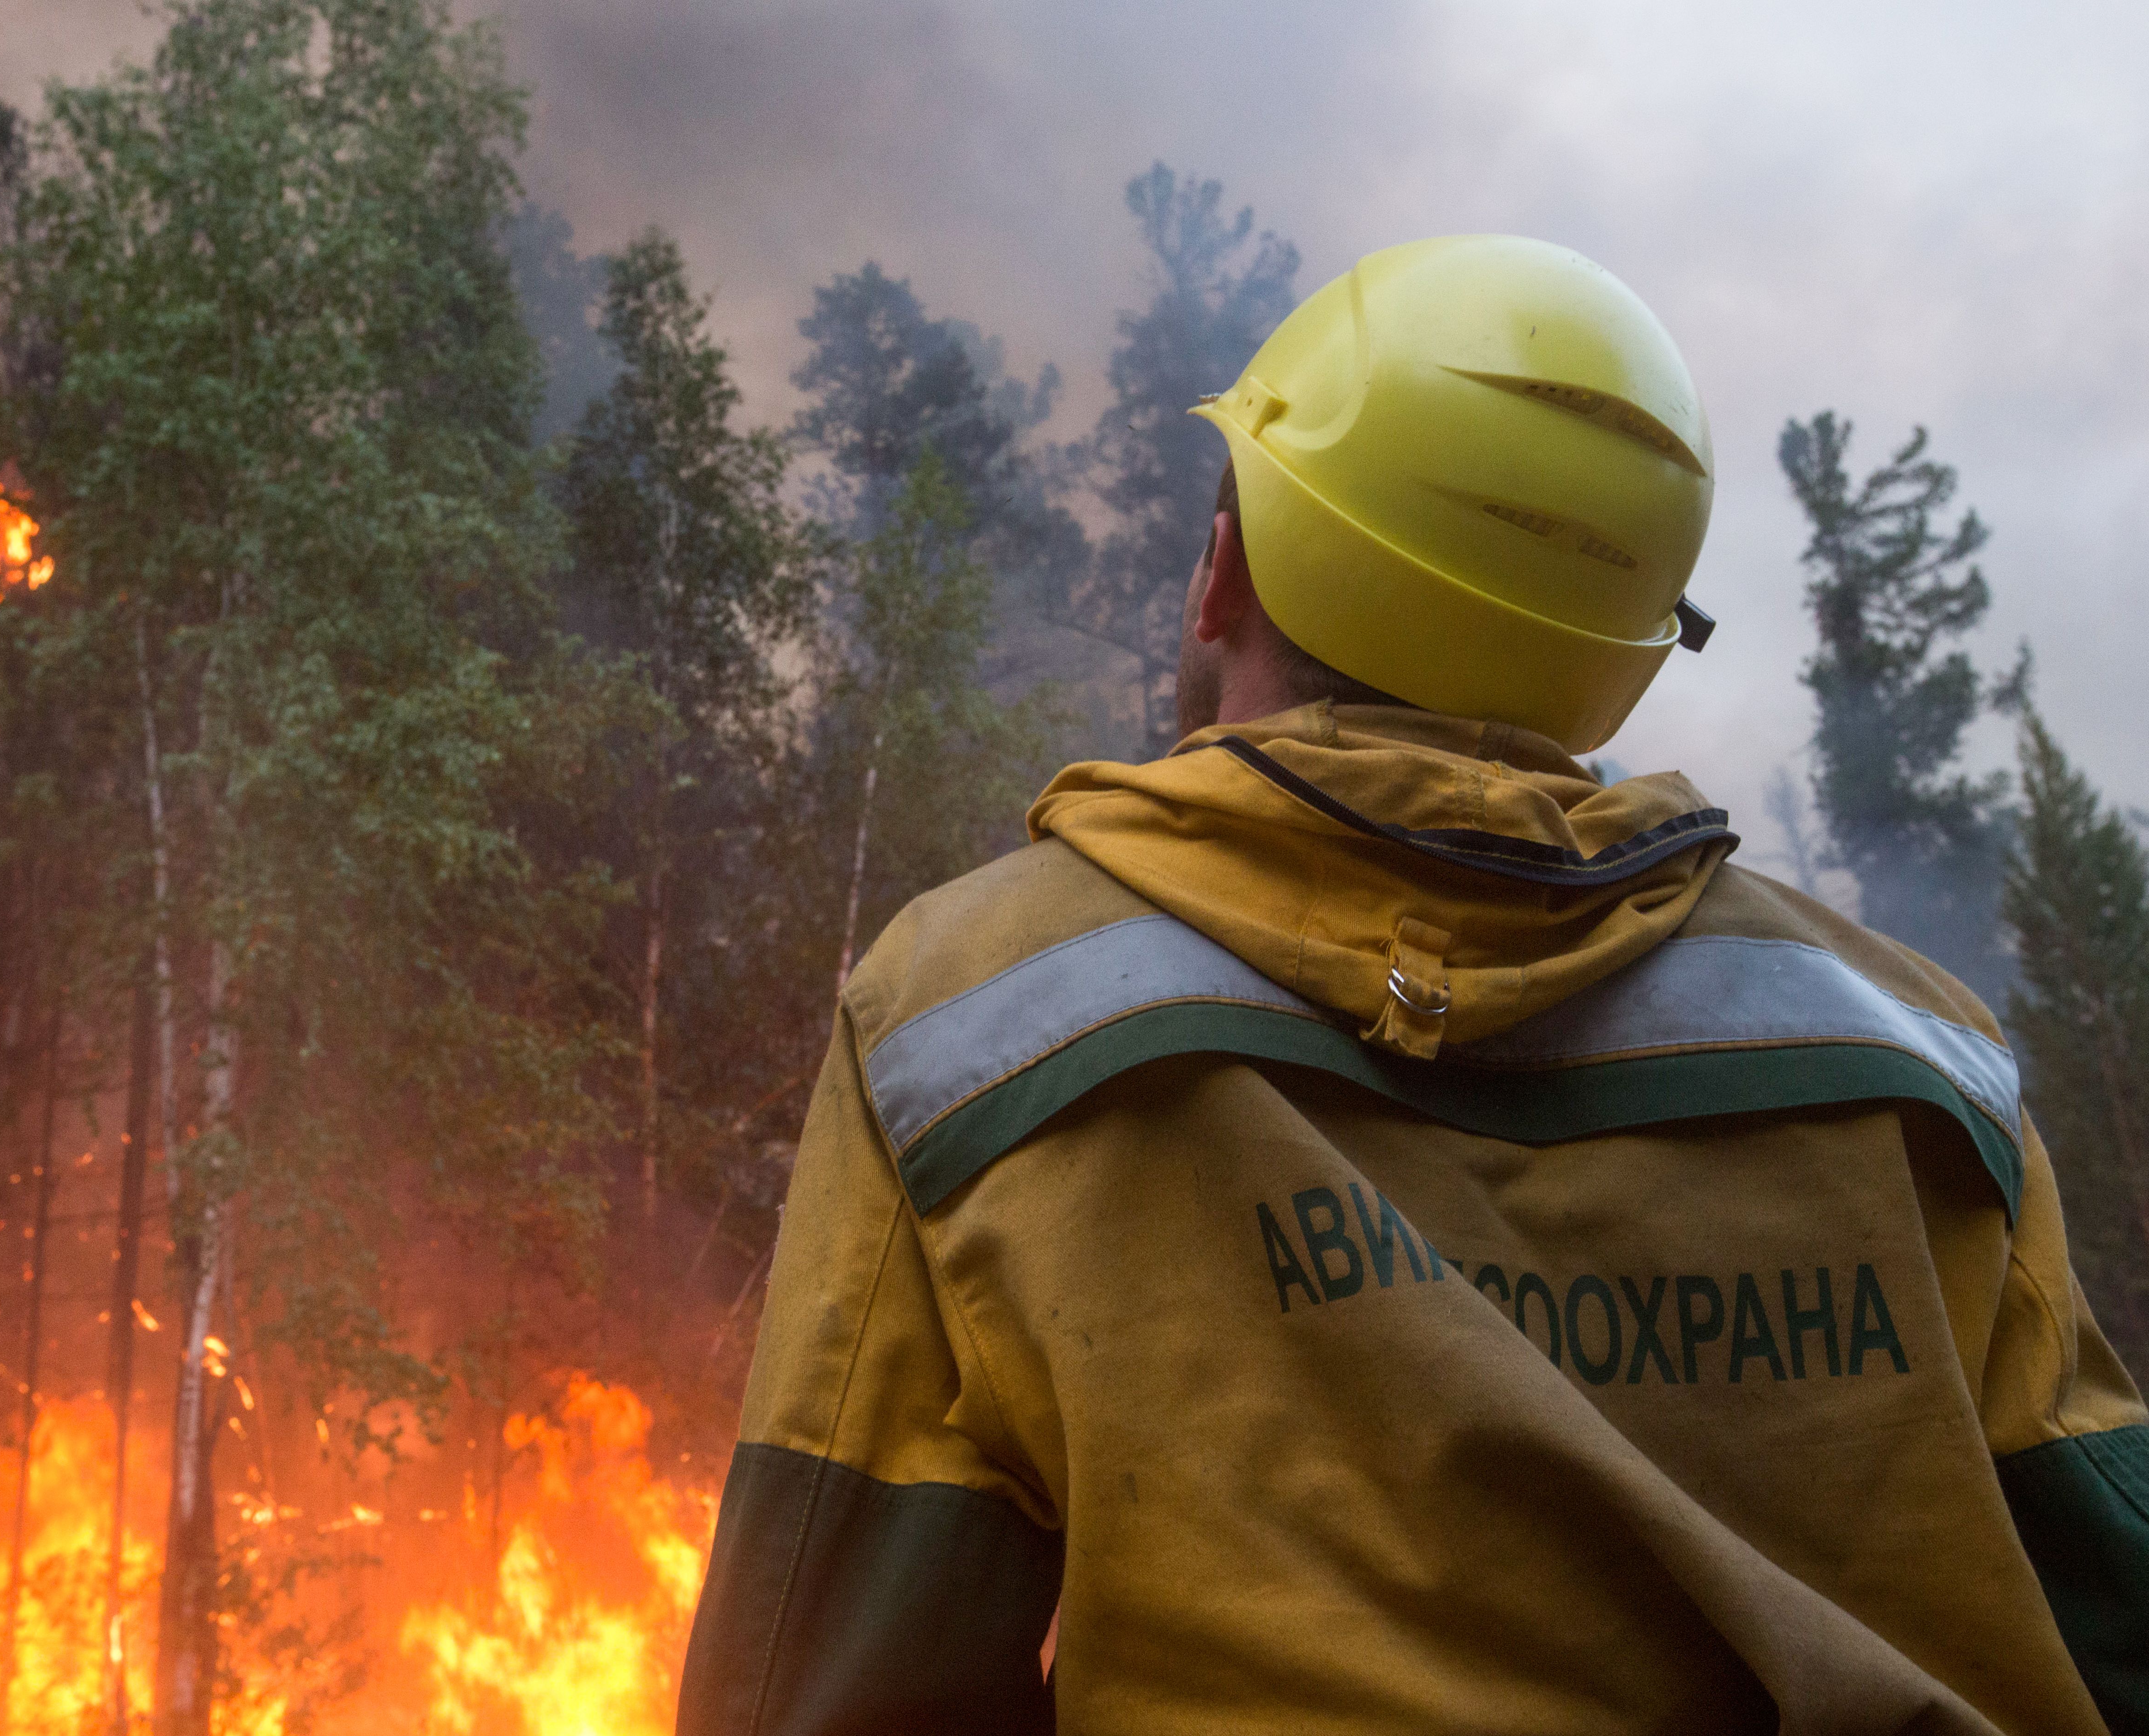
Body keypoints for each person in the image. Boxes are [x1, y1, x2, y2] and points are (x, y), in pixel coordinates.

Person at [674, 235, 2149, 1735]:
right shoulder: (1923, 1061)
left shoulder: (965, 1016)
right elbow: (2117, 1616)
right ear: (1619, 653)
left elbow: (829, 1674)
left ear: (1223, 571)